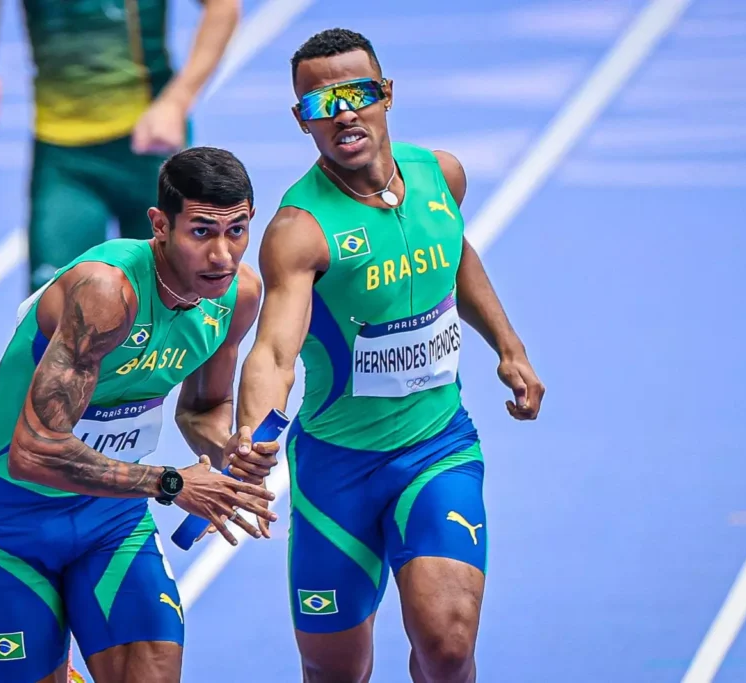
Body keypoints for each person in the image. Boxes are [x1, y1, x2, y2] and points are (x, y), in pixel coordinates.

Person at [226, 28, 546, 683]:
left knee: (449, 646)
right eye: (321, 103)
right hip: (336, 472)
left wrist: (509, 348)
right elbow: (274, 351)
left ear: (385, 95)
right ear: (302, 120)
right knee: (335, 669)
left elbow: (454, 252)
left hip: (437, 447)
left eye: (357, 94)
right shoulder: (299, 230)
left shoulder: (440, 176)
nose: (342, 112)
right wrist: (252, 433)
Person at [0, 146, 278, 683]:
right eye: (202, 232)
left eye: (238, 230)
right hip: (13, 519)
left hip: (112, 516)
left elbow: (202, 407)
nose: (223, 255)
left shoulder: (237, 295)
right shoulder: (107, 293)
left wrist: (229, 447)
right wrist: (174, 482)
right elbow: (33, 450)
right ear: (160, 225)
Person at [0, 0, 242, 293]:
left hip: (147, 148)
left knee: (169, 294)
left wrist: (177, 101)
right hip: (62, 155)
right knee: (53, 301)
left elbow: (223, 6)